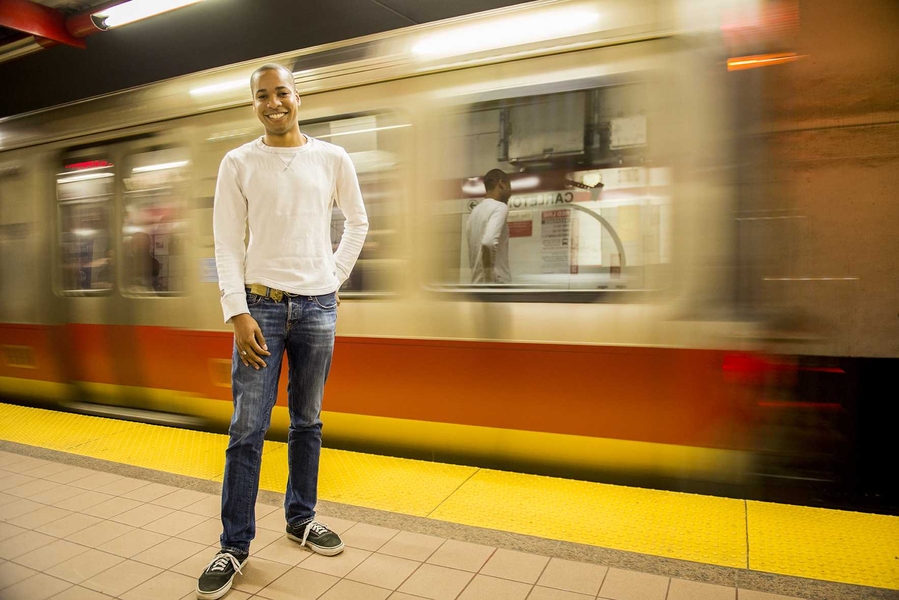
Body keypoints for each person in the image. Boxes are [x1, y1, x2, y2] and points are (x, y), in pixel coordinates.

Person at [198, 63, 368, 600]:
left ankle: (301, 519)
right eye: (262, 96)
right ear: (253, 103)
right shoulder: (238, 162)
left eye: (281, 93)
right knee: (247, 428)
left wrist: (333, 276)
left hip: (318, 308)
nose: (273, 103)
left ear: (298, 97)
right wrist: (236, 311)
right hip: (261, 308)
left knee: (307, 421)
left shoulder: (333, 158)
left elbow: (358, 222)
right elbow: (227, 242)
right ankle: (234, 545)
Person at [468, 168, 512, 284]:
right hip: (496, 285)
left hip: (476, 284)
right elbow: (488, 242)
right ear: (501, 184)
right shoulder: (500, 207)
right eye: (509, 187)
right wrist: (489, 278)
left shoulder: (474, 212)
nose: (510, 193)